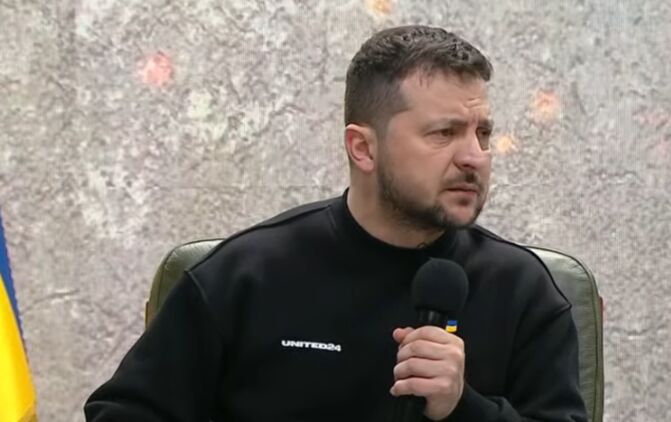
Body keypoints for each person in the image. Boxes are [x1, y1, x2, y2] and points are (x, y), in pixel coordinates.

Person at [84, 25, 587, 421]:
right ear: (362, 148)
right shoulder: (249, 275)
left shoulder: (525, 292)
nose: (474, 156)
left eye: (483, 133)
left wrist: (464, 407)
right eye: (444, 133)